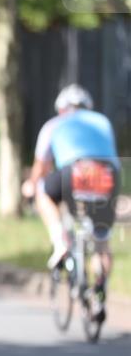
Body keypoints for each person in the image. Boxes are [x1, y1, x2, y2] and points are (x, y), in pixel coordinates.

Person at [22, 83, 121, 293]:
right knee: (101, 241)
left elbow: (41, 166)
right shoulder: (102, 122)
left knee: (43, 192)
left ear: (61, 108)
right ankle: (99, 296)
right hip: (107, 176)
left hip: (73, 173)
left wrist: (30, 185)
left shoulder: (54, 124)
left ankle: (60, 241)